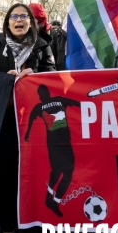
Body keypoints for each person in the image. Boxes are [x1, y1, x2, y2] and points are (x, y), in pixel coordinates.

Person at [0, 3, 55, 233]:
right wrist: (2, 81)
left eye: (24, 16)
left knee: (34, 179)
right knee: (3, 179)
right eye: (14, 16)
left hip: (34, 128)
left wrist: (37, 78)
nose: (19, 20)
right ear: (7, 22)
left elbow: (54, 78)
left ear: (31, 22)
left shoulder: (42, 47)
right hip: (3, 127)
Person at [24, 84, 80, 217]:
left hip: (63, 142)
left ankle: (51, 200)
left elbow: (76, 103)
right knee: (64, 171)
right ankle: (53, 201)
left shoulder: (43, 105)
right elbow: (78, 103)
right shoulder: (56, 101)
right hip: (56, 143)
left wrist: (27, 133)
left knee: (62, 171)